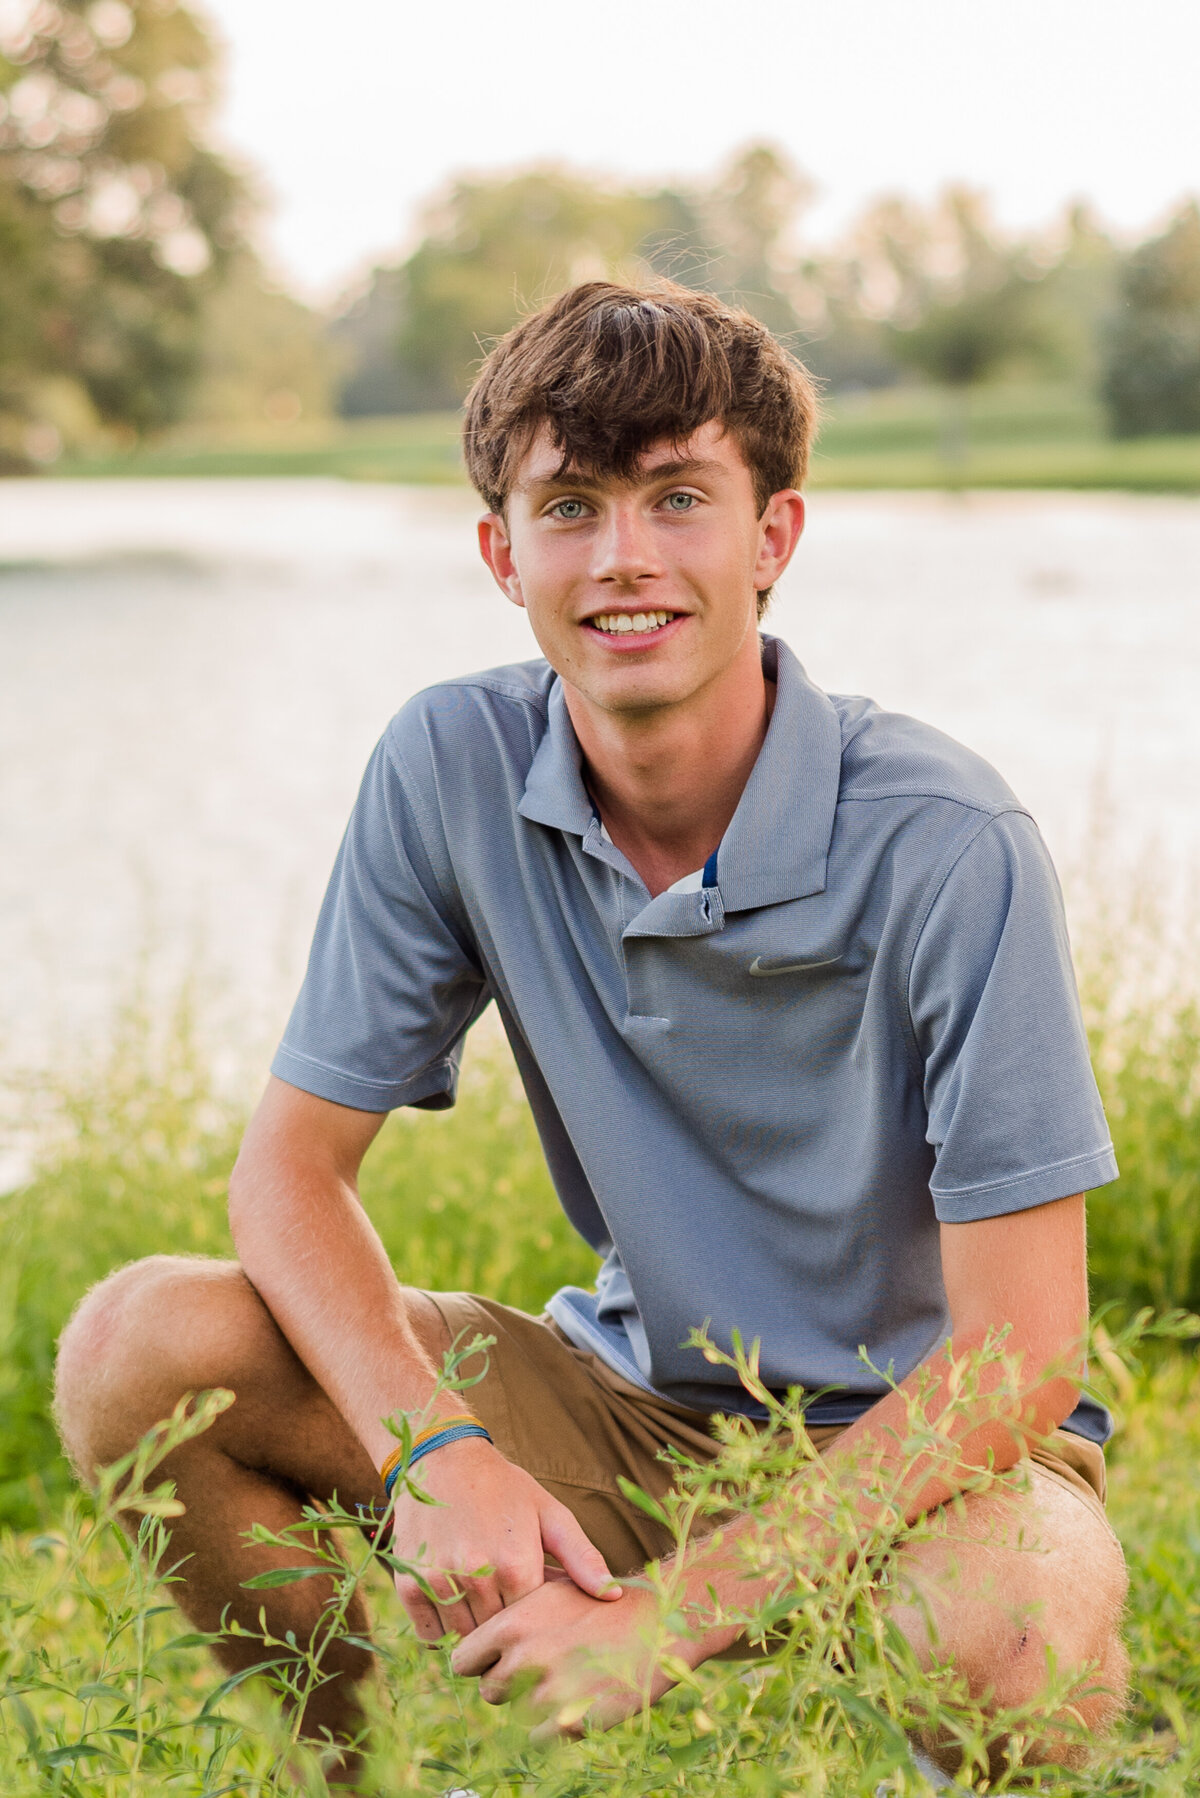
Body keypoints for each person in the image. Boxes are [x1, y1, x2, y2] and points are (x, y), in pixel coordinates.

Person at [54, 280, 1128, 1782]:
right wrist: (439, 1454)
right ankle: (368, 1771)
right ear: (503, 554)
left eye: (679, 497)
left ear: (775, 537)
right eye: (572, 505)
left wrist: (674, 1611)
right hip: (621, 1400)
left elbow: (1017, 1355)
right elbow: (287, 1175)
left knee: (1011, 1621)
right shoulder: (451, 762)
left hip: (932, 1455)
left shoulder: (951, 842)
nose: (625, 559)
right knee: (140, 1343)